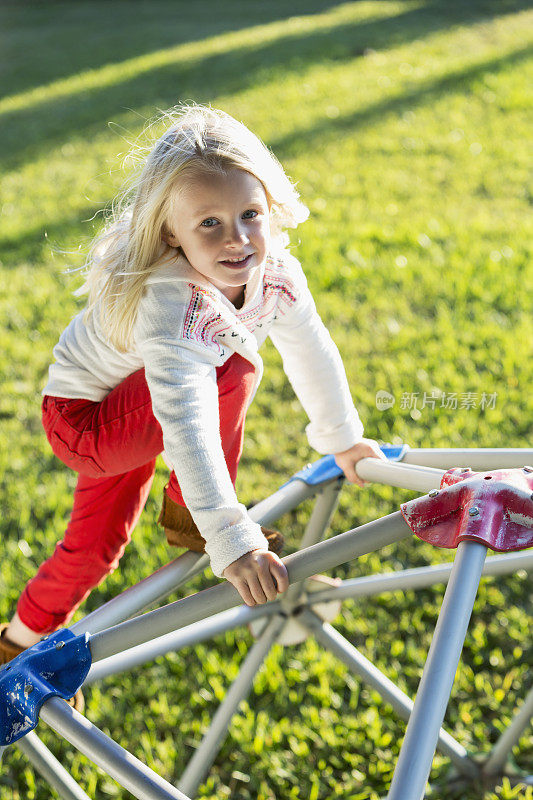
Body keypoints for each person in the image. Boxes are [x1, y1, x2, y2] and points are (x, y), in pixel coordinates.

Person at [1, 104, 385, 673]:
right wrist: (229, 536)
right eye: (209, 223)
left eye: (250, 214)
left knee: (94, 550)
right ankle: (190, 514)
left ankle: (16, 640)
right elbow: (183, 413)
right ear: (169, 233)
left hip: (132, 413)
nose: (238, 240)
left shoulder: (275, 272)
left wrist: (343, 439)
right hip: (84, 422)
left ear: (271, 209)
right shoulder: (171, 299)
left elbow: (310, 347)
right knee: (233, 369)